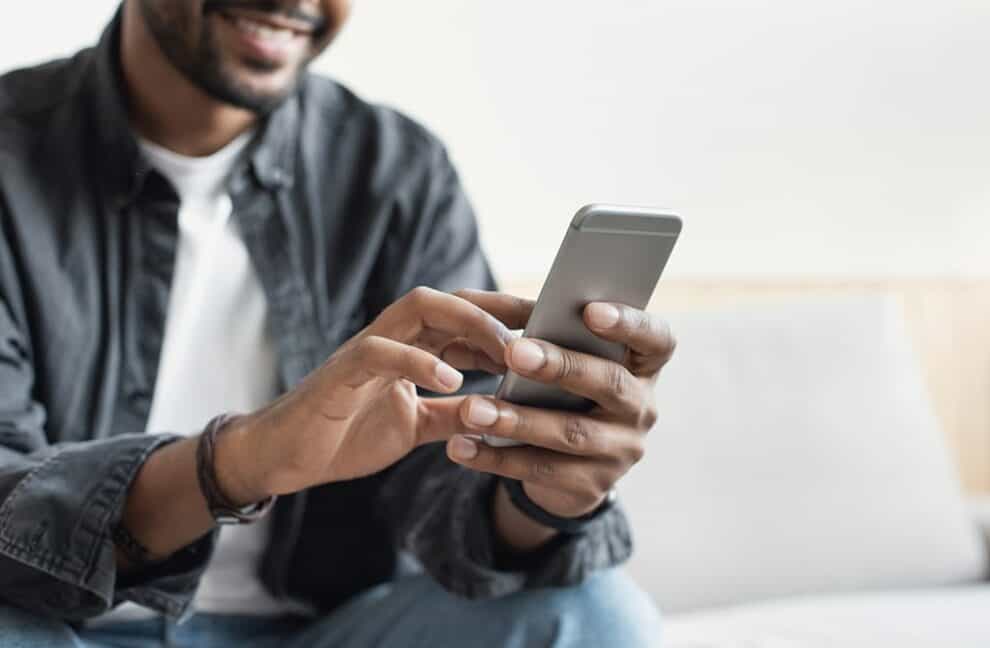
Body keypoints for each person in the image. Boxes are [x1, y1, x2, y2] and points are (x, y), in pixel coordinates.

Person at [0, 1, 676, 646]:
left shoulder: (395, 171)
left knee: (594, 616)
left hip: (319, 632)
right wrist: (240, 462)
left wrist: (541, 498)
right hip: (54, 629)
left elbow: (450, 497)